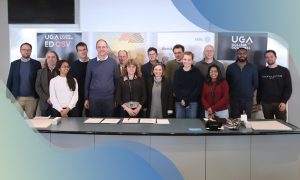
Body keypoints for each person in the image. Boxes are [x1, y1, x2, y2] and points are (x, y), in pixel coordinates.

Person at [84, 39, 119, 117]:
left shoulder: (113, 62)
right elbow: (87, 81)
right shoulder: (91, 62)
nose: (101, 49)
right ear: (96, 49)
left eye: (103, 47)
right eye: (99, 47)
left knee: (108, 123)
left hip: (109, 99)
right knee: (94, 123)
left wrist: (116, 98)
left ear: (106, 48)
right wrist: (86, 98)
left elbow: (117, 81)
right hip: (94, 99)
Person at [6, 42, 41, 119]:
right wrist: (8, 95)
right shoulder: (14, 64)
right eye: (24, 49)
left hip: (32, 99)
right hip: (17, 98)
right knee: (17, 121)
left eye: (28, 50)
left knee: (31, 122)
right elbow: (10, 79)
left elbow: (39, 81)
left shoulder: (36, 64)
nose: (26, 51)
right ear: (20, 51)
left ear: (31, 51)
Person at [257, 50, 292, 121]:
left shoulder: (284, 71)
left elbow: (288, 88)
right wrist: (258, 102)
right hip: (266, 103)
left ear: (275, 57)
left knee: (282, 125)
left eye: (271, 56)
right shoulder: (262, 71)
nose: (269, 58)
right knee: (268, 124)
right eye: (267, 57)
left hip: (279, 103)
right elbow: (259, 88)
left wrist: (284, 102)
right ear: (265, 59)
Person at [226, 48, 258, 119]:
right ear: (237, 55)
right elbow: (227, 83)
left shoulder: (253, 67)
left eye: (244, 53)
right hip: (234, 99)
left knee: (246, 120)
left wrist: (248, 91)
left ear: (247, 55)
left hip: (248, 100)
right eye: (240, 53)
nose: (242, 55)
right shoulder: (230, 67)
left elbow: (256, 83)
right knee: (235, 120)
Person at [173, 51, 203, 118]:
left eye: (189, 60)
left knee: (191, 124)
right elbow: (175, 88)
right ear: (182, 60)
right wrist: (182, 99)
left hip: (192, 102)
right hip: (180, 102)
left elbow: (198, 88)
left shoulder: (197, 72)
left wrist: (187, 100)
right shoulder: (177, 72)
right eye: (185, 59)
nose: (186, 61)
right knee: (180, 124)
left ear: (192, 60)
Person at [35, 51, 59, 116]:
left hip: (58, 104)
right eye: (48, 57)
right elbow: (38, 87)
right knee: (45, 124)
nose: (51, 59)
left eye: (53, 57)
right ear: (46, 59)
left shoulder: (61, 72)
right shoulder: (40, 72)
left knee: (59, 124)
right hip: (45, 104)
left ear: (56, 59)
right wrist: (47, 99)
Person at [69, 42, 90, 117]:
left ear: (87, 50)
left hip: (90, 96)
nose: (83, 52)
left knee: (90, 118)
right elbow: (70, 81)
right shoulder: (74, 65)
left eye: (84, 49)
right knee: (76, 118)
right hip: (77, 97)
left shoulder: (93, 63)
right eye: (80, 50)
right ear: (77, 52)